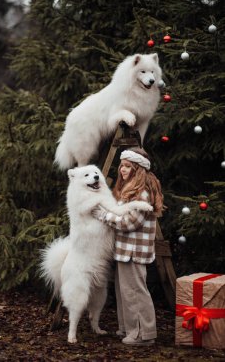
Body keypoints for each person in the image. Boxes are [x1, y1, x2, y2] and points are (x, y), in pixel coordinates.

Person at [92, 147, 164, 346]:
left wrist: (105, 216)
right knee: (125, 291)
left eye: (127, 166)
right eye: (122, 166)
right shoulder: (131, 188)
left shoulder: (142, 192)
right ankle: (128, 328)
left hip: (134, 250)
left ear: (138, 168)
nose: (122, 170)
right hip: (125, 250)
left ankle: (144, 334)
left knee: (135, 291)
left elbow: (129, 222)